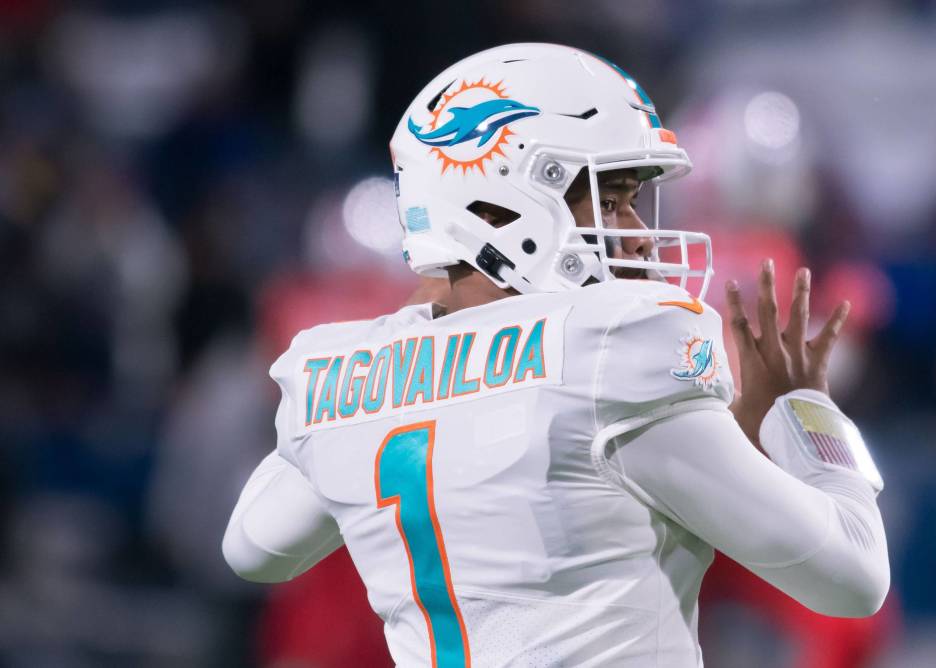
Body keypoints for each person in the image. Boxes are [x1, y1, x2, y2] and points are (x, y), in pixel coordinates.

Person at [223, 43, 889, 667]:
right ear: (494, 207)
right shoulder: (611, 349)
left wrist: (349, 405)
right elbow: (853, 579)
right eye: (610, 199)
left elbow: (252, 549)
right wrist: (805, 415)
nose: (635, 235)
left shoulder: (343, 371)